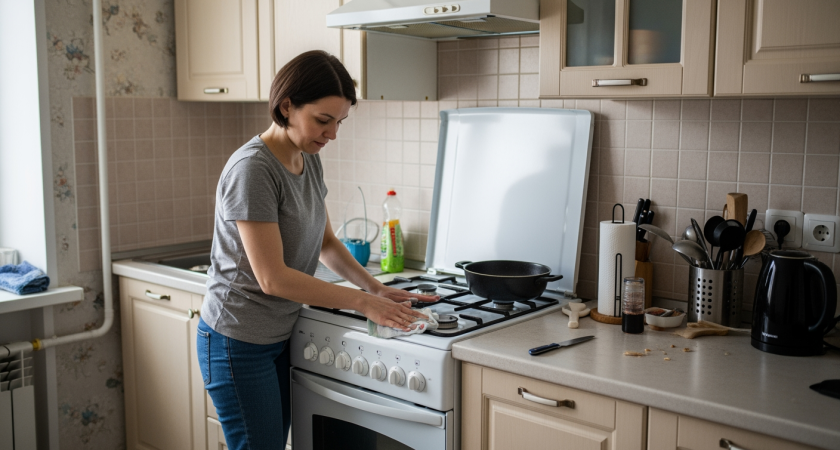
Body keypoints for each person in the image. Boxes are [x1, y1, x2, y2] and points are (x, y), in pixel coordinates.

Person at [196, 50, 439, 449]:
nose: (332, 134)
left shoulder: (307, 159)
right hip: (236, 341)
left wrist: (375, 289)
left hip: (277, 334)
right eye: (323, 121)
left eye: (339, 122)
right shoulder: (253, 170)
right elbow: (272, 278)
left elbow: (326, 243)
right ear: (287, 106)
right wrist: (361, 303)